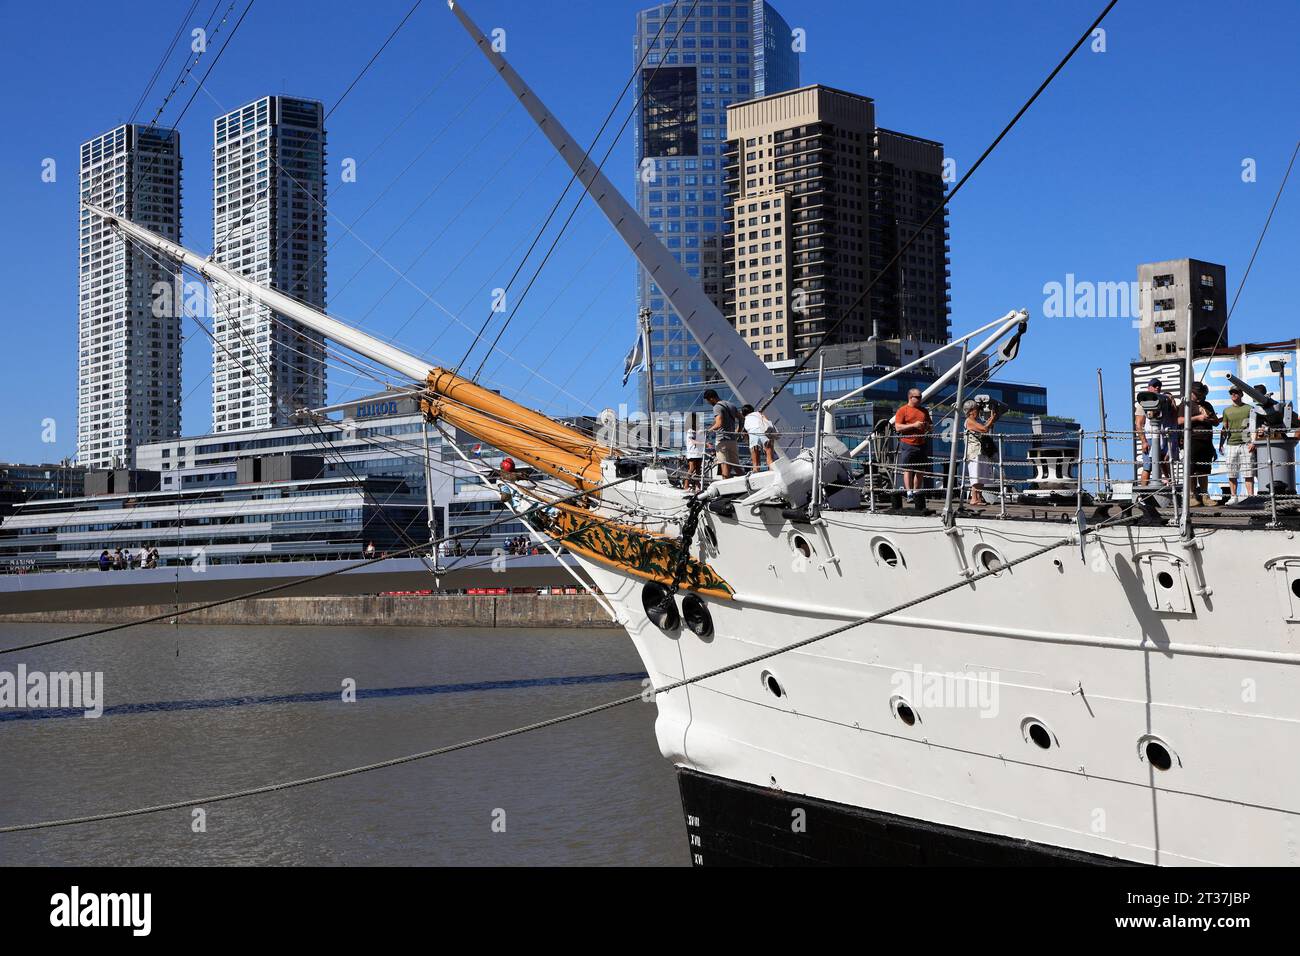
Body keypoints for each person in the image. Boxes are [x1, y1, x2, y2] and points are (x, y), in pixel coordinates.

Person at [1180, 381, 1218, 506]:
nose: (1199, 396)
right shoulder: (1185, 404)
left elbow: (1216, 422)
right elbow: (1179, 420)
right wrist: (1197, 418)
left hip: (1206, 441)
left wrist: (1209, 418)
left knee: (1204, 470)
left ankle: (1204, 496)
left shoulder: (1207, 404)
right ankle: (1191, 496)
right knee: (1191, 469)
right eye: (1197, 394)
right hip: (1192, 440)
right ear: (1191, 392)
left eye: (1200, 394)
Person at [1137, 378, 1179, 484]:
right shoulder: (1143, 402)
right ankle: (1143, 493)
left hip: (1162, 436)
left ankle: (1169, 482)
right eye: (1154, 385)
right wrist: (1144, 441)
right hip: (1150, 436)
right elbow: (1138, 424)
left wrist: (1171, 402)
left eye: (1159, 386)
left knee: (1165, 461)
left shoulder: (1164, 400)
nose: (1157, 387)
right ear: (1149, 387)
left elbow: (1175, 418)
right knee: (1148, 466)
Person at [1219, 385, 1256, 503]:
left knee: (1248, 471)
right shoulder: (1226, 410)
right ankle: (1233, 496)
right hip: (1231, 444)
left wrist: (1253, 442)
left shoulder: (1249, 408)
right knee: (1231, 471)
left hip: (1246, 444)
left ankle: (1251, 497)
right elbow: (1224, 428)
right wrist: (1221, 443)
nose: (1233, 395)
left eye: (1236, 392)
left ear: (1241, 394)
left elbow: (1254, 426)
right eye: (1231, 393)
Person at [893, 388, 932, 499]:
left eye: (921, 397)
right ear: (911, 397)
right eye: (918, 397)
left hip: (921, 443)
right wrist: (913, 425)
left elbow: (931, 426)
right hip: (908, 443)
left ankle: (916, 492)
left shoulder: (924, 411)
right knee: (908, 468)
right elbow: (898, 427)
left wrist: (927, 427)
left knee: (920, 469)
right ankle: (909, 492)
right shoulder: (902, 410)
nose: (920, 399)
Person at [963, 399, 1001, 506]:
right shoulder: (969, 421)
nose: (979, 411)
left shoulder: (974, 421)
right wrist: (992, 419)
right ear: (971, 411)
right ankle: (974, 498)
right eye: (977, 409)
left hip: (979, 451)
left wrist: (990, 420)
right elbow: (984, 429)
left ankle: (978, 498)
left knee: (980, 476)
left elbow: (984, 428)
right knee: (976, 476)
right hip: (974, 452)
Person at [702, 389, 741, 478]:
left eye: (708, 400)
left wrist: (708, 431)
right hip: (732, 440)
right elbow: (741, 419)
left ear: (711, 398)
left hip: (722, 440)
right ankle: (749, 485)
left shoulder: (717, 407)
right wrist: (738, 431)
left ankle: (725, 488)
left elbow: (719, 424)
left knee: (724, 465)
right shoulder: (731, 405)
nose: (708, 403)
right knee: (737, 466)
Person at [741, 403, 778, 471]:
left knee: (755, 463)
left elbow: (744, 434)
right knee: (770, 459)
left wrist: (748, 442)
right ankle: (772, 474)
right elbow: (767, 423)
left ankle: (756, 476)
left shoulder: (745, 419)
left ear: (743, 413)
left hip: (753, 436)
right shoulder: (759, 414)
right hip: (764, 433)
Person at [684, 412, 705, 491]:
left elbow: (701, 439)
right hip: (692, 452)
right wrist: (704, 443)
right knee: (691, 468)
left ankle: (697, 485)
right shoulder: (690, 431)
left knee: (698, 469)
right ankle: (685, 485)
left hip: (699, 452)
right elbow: (693, 441)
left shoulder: (699, 429)